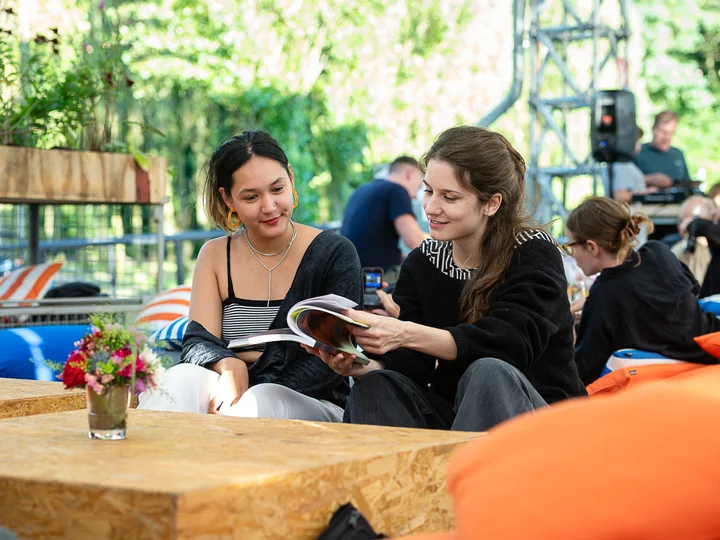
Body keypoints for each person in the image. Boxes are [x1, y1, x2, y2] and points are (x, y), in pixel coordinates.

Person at [309, 126, 587, 433]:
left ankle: (459, 480)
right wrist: (356, 364)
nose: (430, 208)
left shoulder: (532, 250)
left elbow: (511, 344)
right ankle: (396, 479)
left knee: (488, 372)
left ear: (492, 203)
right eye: (428, 191)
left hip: (547, 424)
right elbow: (410, 366)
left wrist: (406, 332)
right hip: (457, 420)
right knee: (377, 385)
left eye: (449, 197)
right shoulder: (425, 261)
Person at [139, 130, 362, 421]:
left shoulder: (334, 253)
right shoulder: (215, 254)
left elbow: (326, 367)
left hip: (313, 402)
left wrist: (247, 392)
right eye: (251, 196)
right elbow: (198, 341)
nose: (269, 207)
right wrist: (228, 364)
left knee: (260, 401)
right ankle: (144, 464)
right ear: (228, 198)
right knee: (179, 379)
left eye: (277, 189)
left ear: (291, 179)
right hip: (231, 391)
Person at [565, 197, 720, 386]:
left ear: (592, 247)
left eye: (570, 245)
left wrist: (567, 334)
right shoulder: (657, 251)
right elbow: (691, 290)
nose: (571, 254)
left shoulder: (605, 294)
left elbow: (582, 374)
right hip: (710, 347)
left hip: (675, 378)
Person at [340, 156, 428, 279]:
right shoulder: (397, 190)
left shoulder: (362, 189)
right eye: (419, 187)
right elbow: (414, 241)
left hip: (350, 274)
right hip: (375, 277)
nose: (415, 197)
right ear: (410, 174)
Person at [633, 111, 690, 186]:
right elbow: (624, 183)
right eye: (663, 131)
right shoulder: (637, 151)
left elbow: (687, 182)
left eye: (671, 133)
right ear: (653, 129)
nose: (666, 137)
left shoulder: (678, 154)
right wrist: (649, 179)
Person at [603, 127, 656, 203]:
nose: (639, 145)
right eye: (637, 141)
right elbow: (619, 196)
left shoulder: (623, 163)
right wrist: (647, 192)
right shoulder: (620, 164)